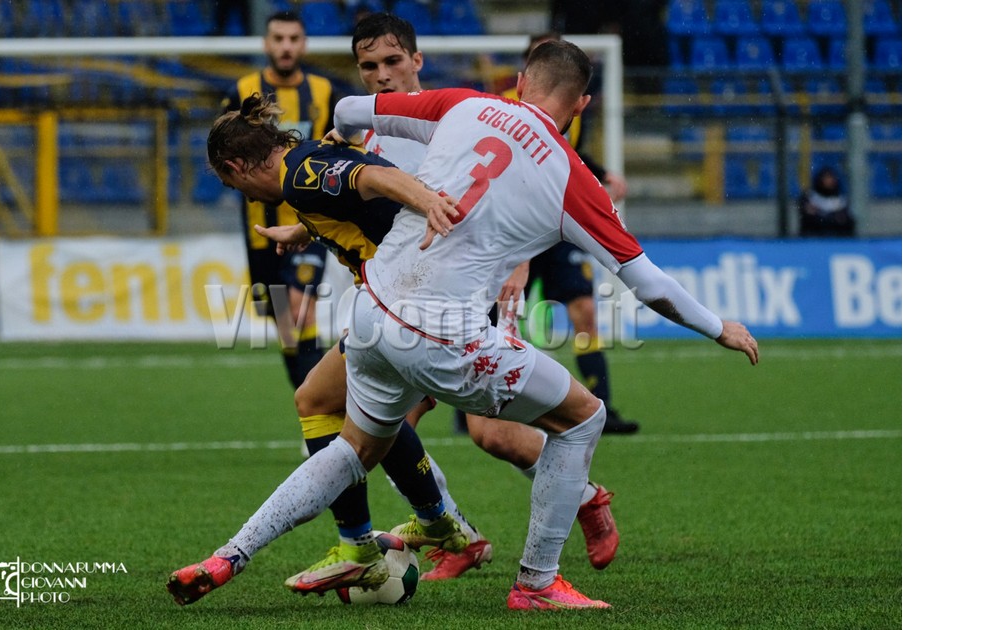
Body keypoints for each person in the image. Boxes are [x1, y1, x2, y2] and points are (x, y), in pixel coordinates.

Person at [167, 40, 758, 611]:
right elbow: (649, 284)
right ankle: (535, 582)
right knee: (583, 418)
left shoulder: (465, 104)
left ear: (520, 83)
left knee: (354, 448)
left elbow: (348, 110)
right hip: (443, 330)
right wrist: (718, 327)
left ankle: (231, 555)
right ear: (581, 106)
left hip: (372, 310)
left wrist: (341, 143)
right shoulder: (573, 178)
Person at [349, 12, 622, 579]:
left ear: (417, 62)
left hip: (476, 293)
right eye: (369, 66)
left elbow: (513, 198)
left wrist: (519, 266)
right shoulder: (375, 132)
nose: (381, 75)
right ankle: (455, 531)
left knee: (491, 434)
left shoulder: (456, 118)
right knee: (380, 426)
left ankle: (579, 498)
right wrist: (303, 228)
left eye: (392, 62)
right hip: (413, 304)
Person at [188, 93, 476, 598]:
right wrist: (307, 229)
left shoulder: (301, 174)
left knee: (326, 406)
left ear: (236, 167)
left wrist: (429, 201)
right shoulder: (306, 166)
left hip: (411, 302)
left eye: (233, 185)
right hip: (419, 296)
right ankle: (432, 524)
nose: (246, 197)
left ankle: (363, 544)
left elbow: (373, 178)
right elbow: (356, 200)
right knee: (333, 403)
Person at [486, 31, 640, 437]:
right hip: (513, 230)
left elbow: (565, 155)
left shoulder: (572, 106)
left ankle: (601, 405)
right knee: (498, 313)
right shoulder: (501, 104)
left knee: (584, 311)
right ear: (528, 69)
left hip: (554, 228)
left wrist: (602, 174)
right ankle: (475, 409)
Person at [220, 10, 346, 396]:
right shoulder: (242, 91)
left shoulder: (325, 92)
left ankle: (325, 403)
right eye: (279, 39)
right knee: (285, 322)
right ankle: (315, 403)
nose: (286, 46)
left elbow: (342, 150)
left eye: (293, 39)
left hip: (309, 222)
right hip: (259, 227)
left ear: (303, 44)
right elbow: (222, 154)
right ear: (266, 44)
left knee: (298, 308)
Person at [798, 166, 856, 237]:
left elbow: (847, 223)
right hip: (813, 238)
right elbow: (806, 220)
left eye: (831, 178)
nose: (829, 181)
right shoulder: (809, 197)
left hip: (836, 238)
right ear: (820, 180)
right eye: (826, 178)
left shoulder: (841, 200)